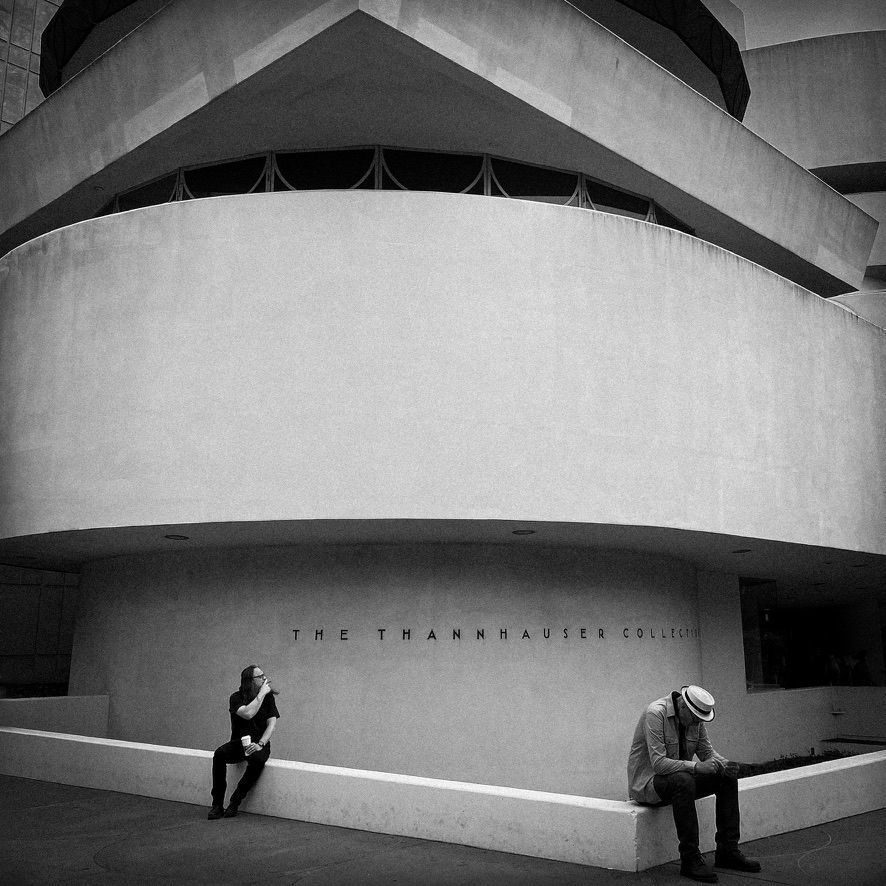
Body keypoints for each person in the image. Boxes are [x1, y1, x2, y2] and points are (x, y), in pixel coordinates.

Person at [627, 685, 761, 882]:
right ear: (683, 706)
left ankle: (728, 851)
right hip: (648, 786)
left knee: (726, 777)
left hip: (681, 783)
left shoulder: (695, 716)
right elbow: (659, 764)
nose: (697, 723)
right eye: (695, 719)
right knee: (683, 780)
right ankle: (690, 859)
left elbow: (707, 752)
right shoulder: (655, 714)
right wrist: (697, 767)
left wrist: (726, 765)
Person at [208, 664, 280, 820]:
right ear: (250, 680)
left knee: (257, 761)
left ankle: (235, 802)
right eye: (260, 677)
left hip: (259, 743)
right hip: (239, 743)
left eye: (264, 675)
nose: (264, 679)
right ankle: (217, 805)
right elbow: (248, 713)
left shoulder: (268, 698)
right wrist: (261, 694)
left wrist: (260, 744)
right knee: (219, 755)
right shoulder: (236, 698)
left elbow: (271, 724)